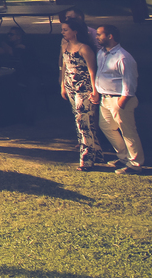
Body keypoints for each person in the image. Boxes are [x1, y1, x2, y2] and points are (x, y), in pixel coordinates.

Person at [94, 24, 144, 174]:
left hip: (119, 99)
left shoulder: (123, 57)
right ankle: (123, 157)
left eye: (100, 34)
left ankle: (135, 164)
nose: (97, 37)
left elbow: (130, 80)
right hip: (105, 98)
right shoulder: (101, 53)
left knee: (128, 131)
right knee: (107, 127)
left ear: (110, 36)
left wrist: (122, 101)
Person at [59, 15, 100, 170]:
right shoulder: (65, 47)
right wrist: (63, 85)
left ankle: (87, 158)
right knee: (78, 119)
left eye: (65, 30)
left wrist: (95, 90)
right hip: (71, 86)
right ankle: (96, 152)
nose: (63, 33)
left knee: (84, 122)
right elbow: (64, 66)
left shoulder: (84, 48)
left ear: (75, 32)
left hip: (84, 88)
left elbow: (92, 71)